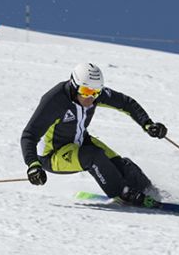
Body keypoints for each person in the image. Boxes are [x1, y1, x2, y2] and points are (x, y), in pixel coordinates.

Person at [21, 62, 168, 207]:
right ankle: (123, 193)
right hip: (53, 155)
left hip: (80, 141)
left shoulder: (92, 93)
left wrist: (147, 124)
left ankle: (152, 193)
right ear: (74, 84)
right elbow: (29, 135)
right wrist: (33, 165)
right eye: (85, 91)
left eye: (95, 93)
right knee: (94, 156)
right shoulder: (55, 100)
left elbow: (125, 102)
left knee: (122, 165)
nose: (90, 97)